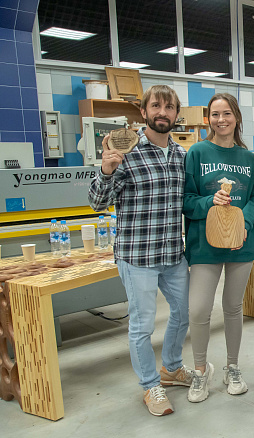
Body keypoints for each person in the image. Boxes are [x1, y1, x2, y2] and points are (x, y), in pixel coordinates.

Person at [88, 85, 193, 416]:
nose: (163, 112)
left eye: (169, 107)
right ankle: (150, 385)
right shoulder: (127, 153)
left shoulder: (182, 156)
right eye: (156, 106)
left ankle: (172, 368)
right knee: (143, 325)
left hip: (173, 254)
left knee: (182, 313)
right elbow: (96, 202)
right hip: (137, 257)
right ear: (144, 112)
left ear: (176, 114)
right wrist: (106, 170)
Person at [183, 93, 254, 403]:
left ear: (236, 117)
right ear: (208, 119)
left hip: (241, 245)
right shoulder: (196, 152)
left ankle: (233, 367)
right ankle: (199, 370)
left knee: (234, 308)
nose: (221, 120)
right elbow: (185, 201)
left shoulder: (247, 158)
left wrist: (242, 222)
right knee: (199, 309)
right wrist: (209, 202)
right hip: (205, 245)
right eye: (215, 114)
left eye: (227, 114)